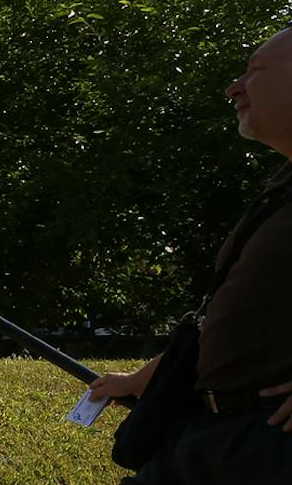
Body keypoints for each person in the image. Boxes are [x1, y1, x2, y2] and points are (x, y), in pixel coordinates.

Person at [87, 26, 292, 482]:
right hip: (214, 437)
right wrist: (141, 380)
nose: (234, 87)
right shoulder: (280, 190)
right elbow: (230, 315)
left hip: (269, 446)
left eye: (255, 72)